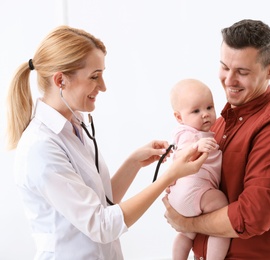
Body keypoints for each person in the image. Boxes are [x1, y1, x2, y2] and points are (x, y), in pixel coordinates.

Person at [5, 25, 208, 260]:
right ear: (61, 80)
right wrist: (169, 176)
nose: (103, 86)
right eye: (94, 76)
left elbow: (101, 202)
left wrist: (133, 163)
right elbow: (101, 225)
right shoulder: (41, 148)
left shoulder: (74, 125)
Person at [163, 19, 270, 260]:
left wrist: (186, 223)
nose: (229, 80)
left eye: (242, 72)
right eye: (224, 67)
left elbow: (252, 216)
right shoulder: (219, 122)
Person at [168, 79, 230, 260]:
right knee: (221, 212)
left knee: (187, 234)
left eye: (209, 107)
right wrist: (198, 146)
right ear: (179, 117)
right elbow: (180, 156)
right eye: (196, 111)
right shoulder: (189, 134)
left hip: (183, 195)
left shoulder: (203, 132)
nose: (205, 114)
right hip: (193, 192)